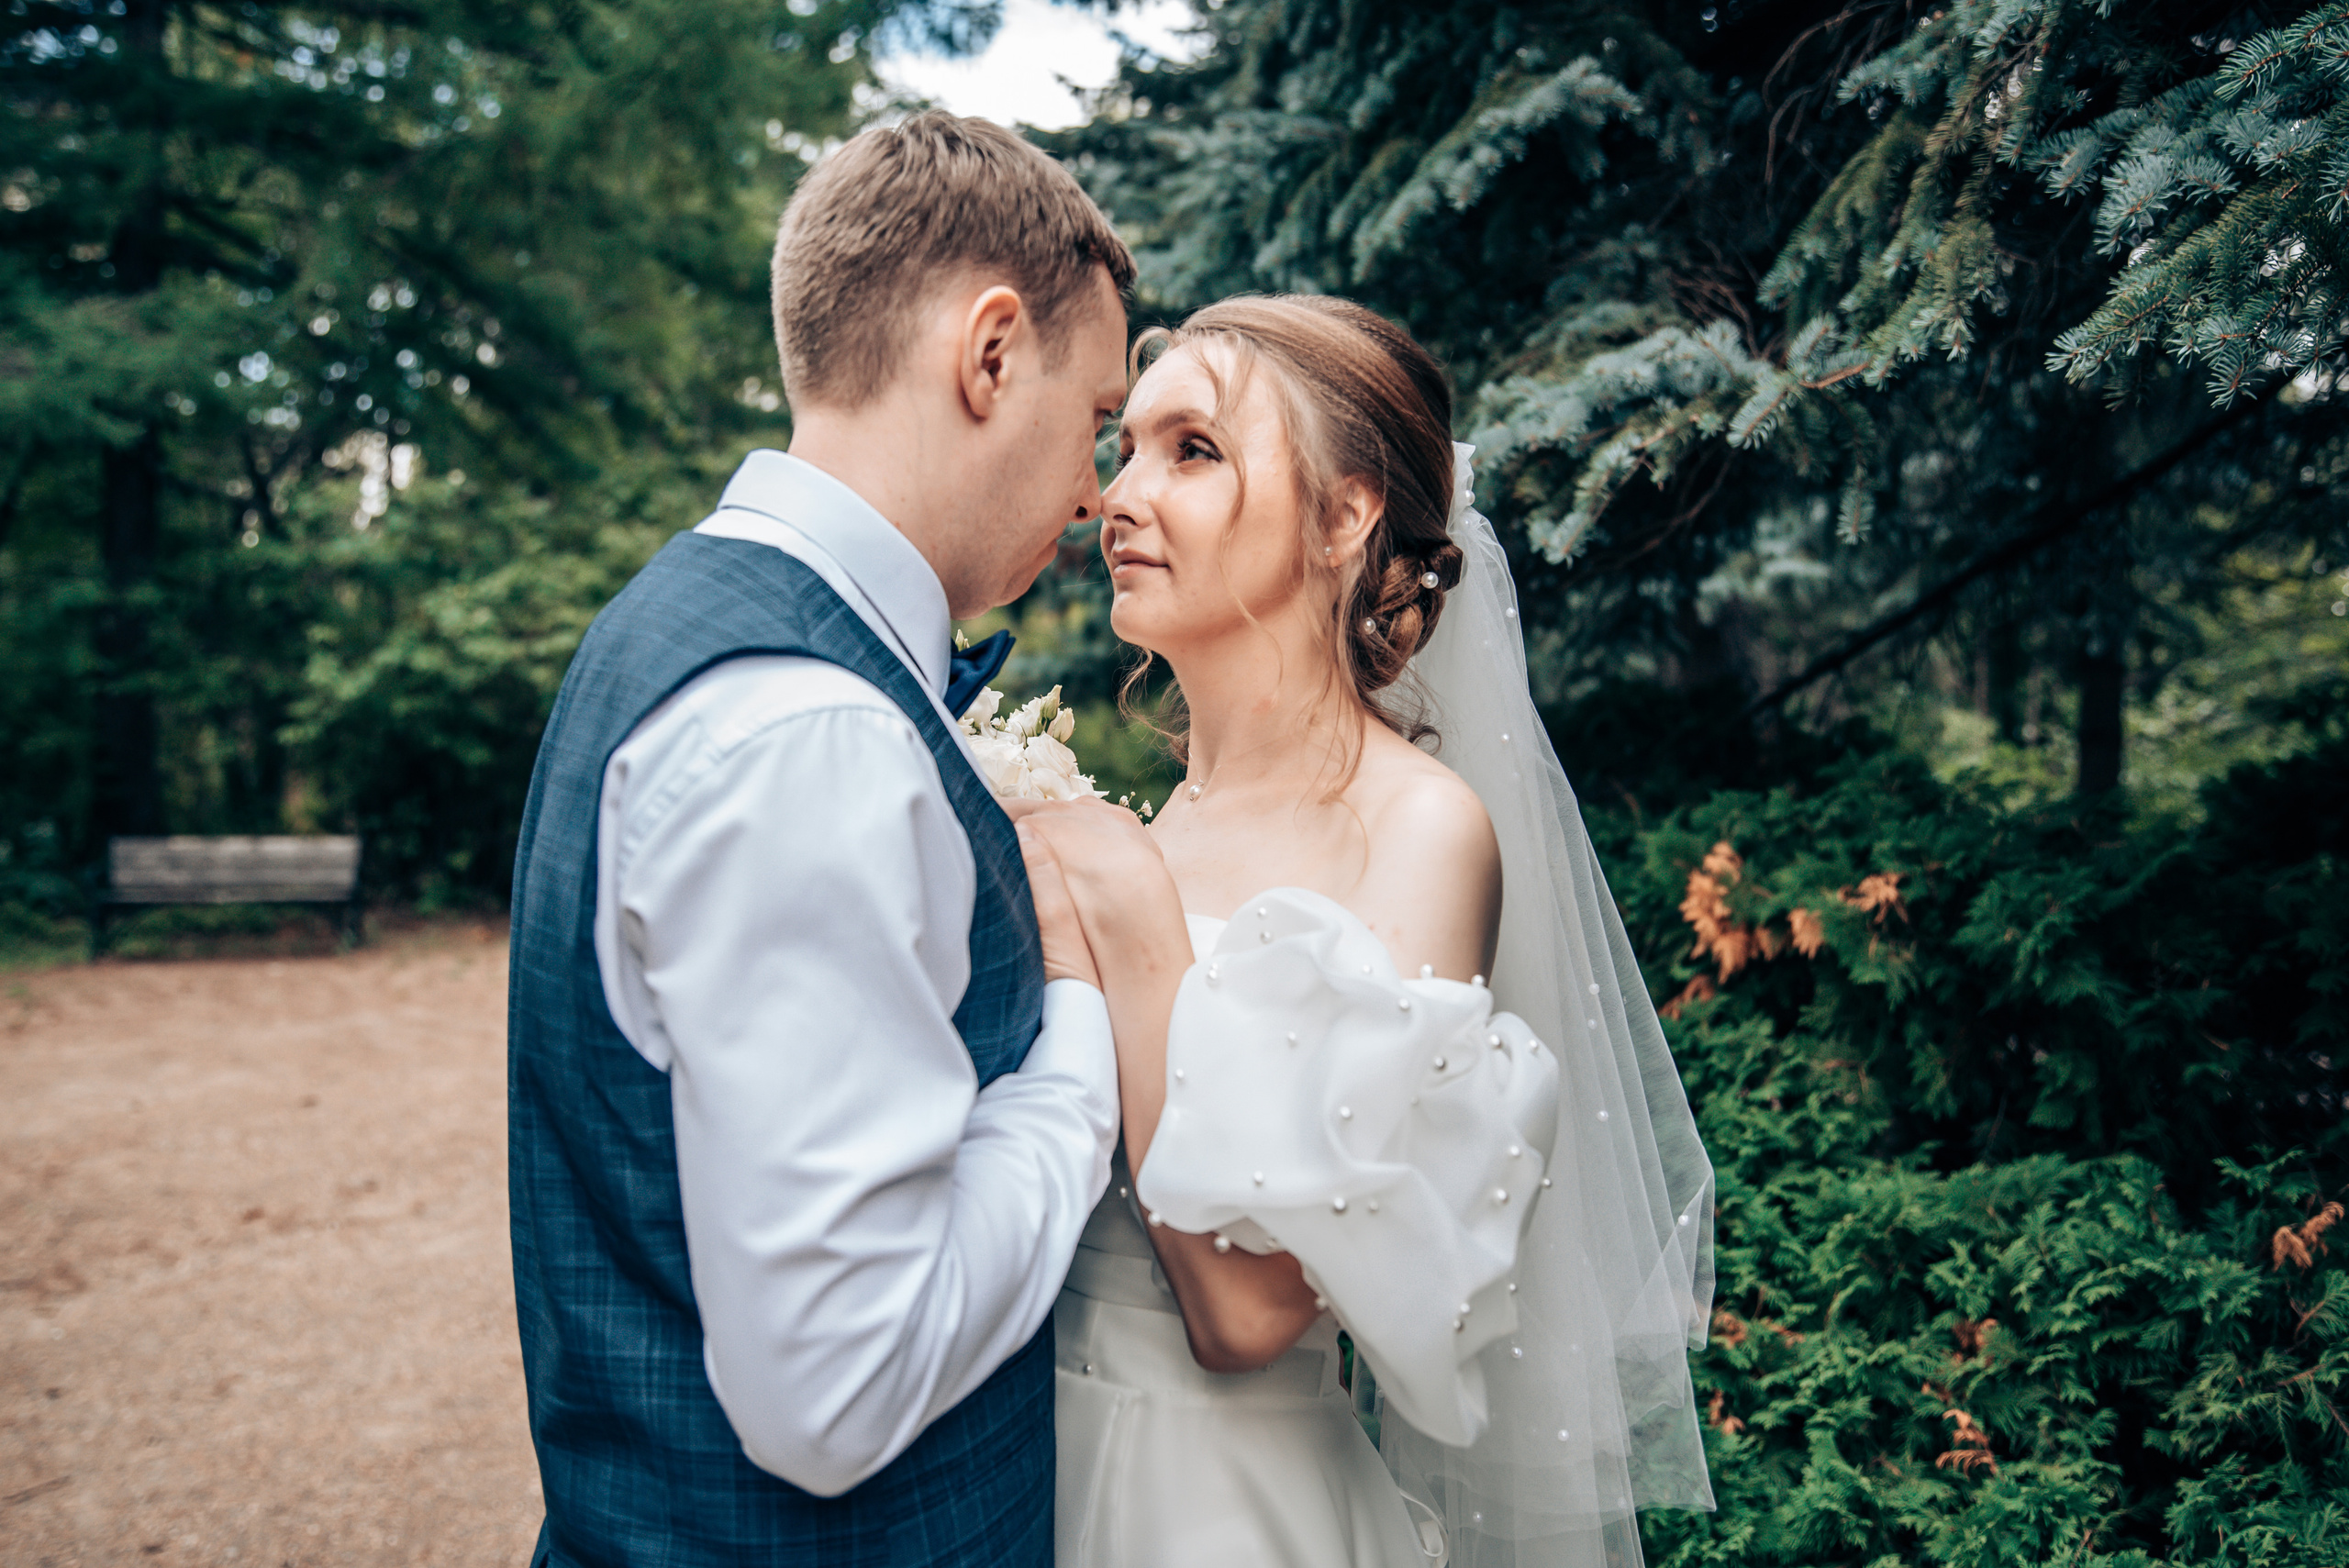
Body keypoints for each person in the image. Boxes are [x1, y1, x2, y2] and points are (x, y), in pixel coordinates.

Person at [505, 114, 1136, 1566]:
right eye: (1095, 419)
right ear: (989, 355)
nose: (1100, 489)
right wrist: (1081, 1038)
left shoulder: (684, 625)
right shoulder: (809, 732)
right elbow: (839, 1388)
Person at [1018, 296, 1719, 1568]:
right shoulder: (1161, 813)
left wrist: (1124, 919)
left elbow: (1249, 1309)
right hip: (1039, 1477)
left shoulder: (1420, 835)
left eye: (1195, 450)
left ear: (1345, 518)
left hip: (1217, 1514)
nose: (1119, 496)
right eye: (1127, 445)